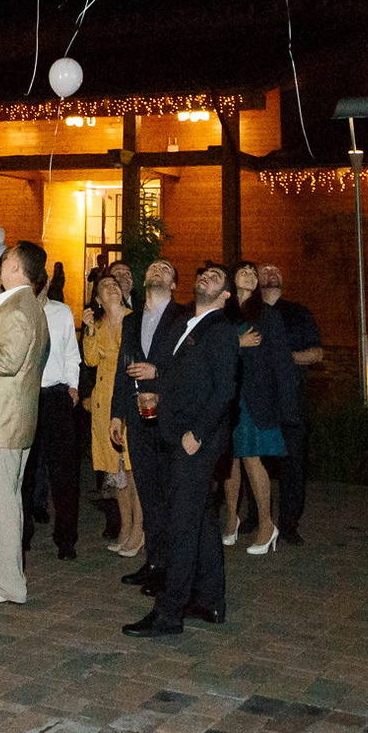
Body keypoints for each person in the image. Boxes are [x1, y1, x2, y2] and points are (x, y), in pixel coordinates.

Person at [125, 264, 241, 637]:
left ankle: (169, 612)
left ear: (226, 295)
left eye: (217, 278)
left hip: (196, 442)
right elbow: (181, 377)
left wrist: (198, 433)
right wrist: (157, 386)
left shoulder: (221, 330)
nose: (206, 277)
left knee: (181, 525)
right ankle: (210, 600)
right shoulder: (187, 324)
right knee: (203, 522)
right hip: (176, 435)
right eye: (204, 274)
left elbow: (225, 390)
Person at [0, 240, 50, 606]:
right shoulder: (24, 304)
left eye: (5, 261)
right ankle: (5, 575)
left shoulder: (20, 309)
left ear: (17, 268)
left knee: (0, 506)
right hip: (10, 420)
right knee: (5, 504)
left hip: (3, 422)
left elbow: (5, 361)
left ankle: (10, 584)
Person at [113, 261, 185, 596]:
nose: (156, 271)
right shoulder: (130, 321)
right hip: (138, 418)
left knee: (169, 494)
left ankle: (171, 567)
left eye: (165, 269)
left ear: (173, 284)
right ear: (144, 280)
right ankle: (154, 561)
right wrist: (117, 413)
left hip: (169, 420)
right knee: (148, 494)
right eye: (152, 268)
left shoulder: (184, 318)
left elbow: (190, 367)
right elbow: (120, 368)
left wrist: (158, 373)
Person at [221, 262, 286, 555]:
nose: (248, 274)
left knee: (250, 458)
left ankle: (266, 525)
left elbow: (278, 359)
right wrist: (237, 343)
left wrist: (282, 401)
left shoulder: (267, 315)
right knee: (229, 460)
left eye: (252, 272)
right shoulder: (222, 312)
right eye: (242, 271)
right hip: (226, 395)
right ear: (232, 279)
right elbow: (211, 350)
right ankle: (231, 520)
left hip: (253, 397)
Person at [256, 264, 323, 544]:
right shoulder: (248, 312)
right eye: (266, 271)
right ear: (257, 280)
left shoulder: (299, 313)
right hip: (257, 400)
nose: (273, 274)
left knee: (292, 464)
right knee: (253, 459)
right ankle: (256, 518)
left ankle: (289, 523)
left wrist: (286, 358)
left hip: (290, 400)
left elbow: (317, 353)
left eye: (277, 272)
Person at [27, 267, 84, 559]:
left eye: (43, 281)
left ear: (49, 282)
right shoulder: (17, 310)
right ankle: (22, 536)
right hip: (25, 397)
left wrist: (73, 386)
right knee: (24, 472)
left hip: (55, 396)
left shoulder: (62, 313)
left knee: (63, 472)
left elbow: (72, 354)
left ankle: (66, 538)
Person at [85, 274, 140, 560]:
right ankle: (125, 526)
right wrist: (90, 331)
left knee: (133, 468)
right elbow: (92, 359)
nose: (111, 288)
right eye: (104, 286)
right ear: (98, 299)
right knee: (116, 470)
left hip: (128, 398)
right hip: (104, 401)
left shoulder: (134, 320)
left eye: (114, 285)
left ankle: (139, 529)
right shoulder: (97, 324)